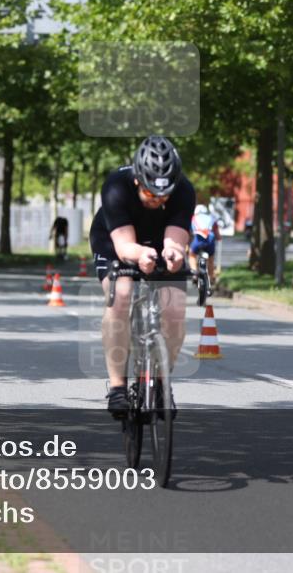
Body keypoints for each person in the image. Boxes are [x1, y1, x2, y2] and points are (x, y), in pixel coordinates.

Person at [89, 135, 195, 417]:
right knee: (121, 296)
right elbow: (125, 247)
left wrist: (173, 254)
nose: (157, 200)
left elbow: (174, 240)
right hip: (115, 242)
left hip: (160, 241)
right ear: (138, 180)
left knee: (174, 310)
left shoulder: (184, 191)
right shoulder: (115, 187)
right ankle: (117, 388)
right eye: (150, 194)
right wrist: (139, 256)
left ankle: (161, 383)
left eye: (163, 195)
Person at [188, 203, 220, 285]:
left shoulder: (193, 218)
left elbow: (189, 233)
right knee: (211, 259)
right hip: (210, 240)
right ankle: (211, 277)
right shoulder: (212, 218)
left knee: (192, 255)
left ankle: (194, 274)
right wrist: (218, 238)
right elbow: (217, 234)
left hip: (198, 240)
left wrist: (188, 243)